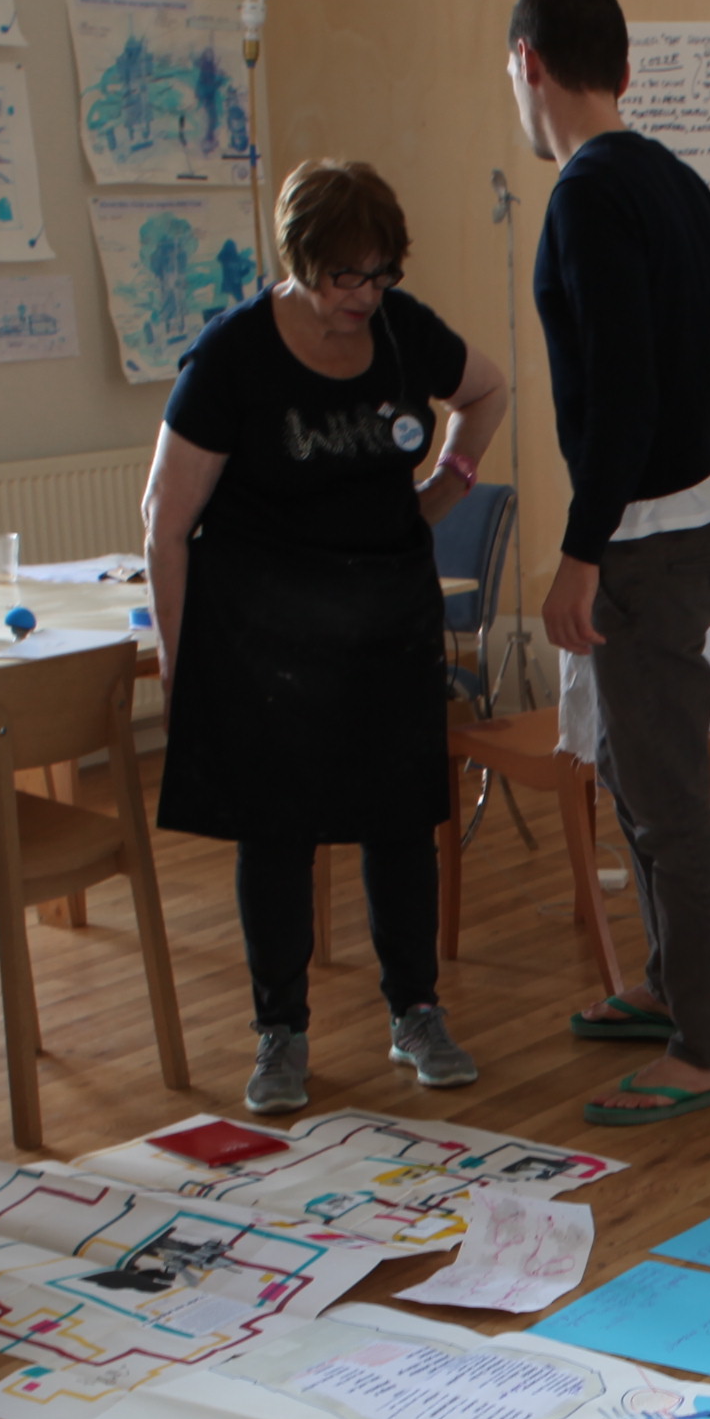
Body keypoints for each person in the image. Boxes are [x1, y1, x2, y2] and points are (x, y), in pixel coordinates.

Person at [142, 158, 514, 1116]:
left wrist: (448, 483)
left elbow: (488, 390)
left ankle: (416, 1011)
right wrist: (181, 663)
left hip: (385, 622)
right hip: (264, 636)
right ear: (300, 259)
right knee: (277, 835)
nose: (365, 295)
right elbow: (165, 522)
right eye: (346, 275)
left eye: (381, 273)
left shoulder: (403, 329)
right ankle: (280, 1031)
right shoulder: (233, 356)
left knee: (401, 823)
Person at [504, 0, 710, 1127]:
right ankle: (665, 984)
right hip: (693, 520)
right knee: (630, 765)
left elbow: (620, 397)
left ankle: (709, 1049)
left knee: (665, 800)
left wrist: (579, 551)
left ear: (529, 65)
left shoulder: (588, 197)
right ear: (622, 66)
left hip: (644, 543)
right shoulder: (676, 182)